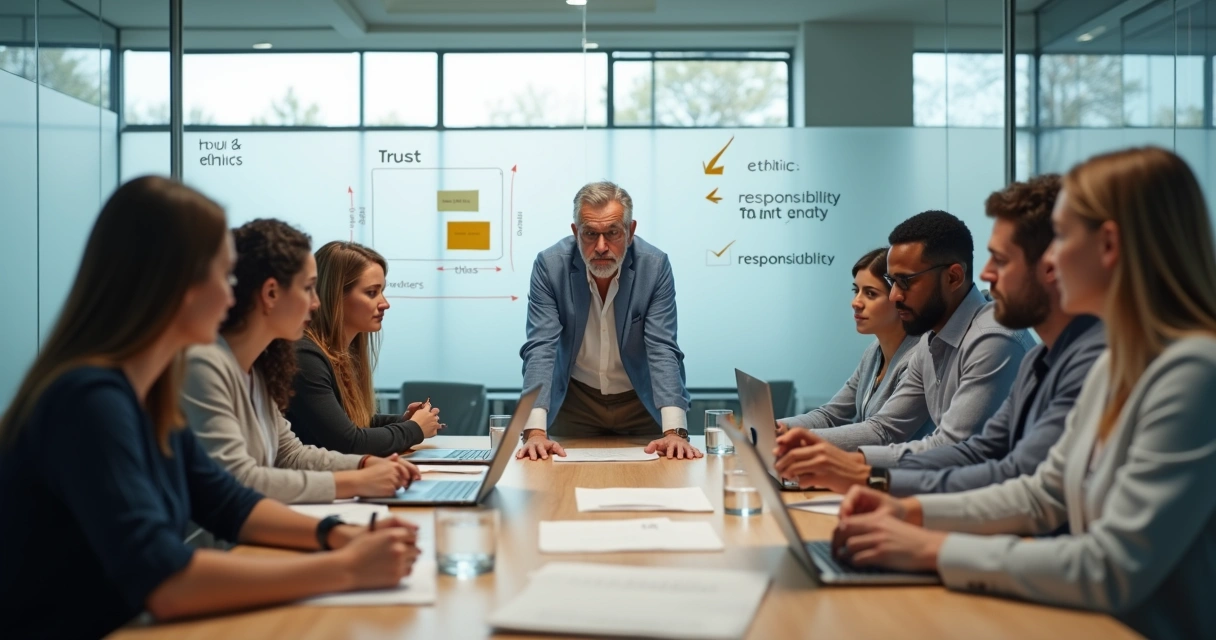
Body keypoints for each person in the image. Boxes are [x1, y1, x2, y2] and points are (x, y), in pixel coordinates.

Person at [0, 177, 419, 638]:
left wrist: (340, 535)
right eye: (223, 276)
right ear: (174, 284)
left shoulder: (150, 391)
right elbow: (166, 581)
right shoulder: (89, 400)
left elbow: (226, 501)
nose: (231, 294)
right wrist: (347, 569)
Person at [831, 147, 1216, 640]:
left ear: (1109, 246)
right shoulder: (1120, 361)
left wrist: (928, 548)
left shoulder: (1191, 372)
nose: (1050, 262)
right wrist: (907, 511)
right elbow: (1042, 493)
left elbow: (1111, 565)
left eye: (1062, 238)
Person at [775, 176, 1105, 497]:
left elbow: (973, 457)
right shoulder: (1033, 356)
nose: (988, 274)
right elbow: (979, 453)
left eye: (1001, 260)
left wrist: (863, 474)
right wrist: (859, 470)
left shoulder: (997, 339)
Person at [183, 219, 421, 504]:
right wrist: (356, 481)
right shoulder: (204, 366)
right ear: (271, 293)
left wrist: (364, 465)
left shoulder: (257, 368)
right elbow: (240, 480)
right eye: (308, 288)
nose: (317, 303)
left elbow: (290, 454)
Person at [780, 210, 1035, 468]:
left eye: (905, 282)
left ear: (953, 277)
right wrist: (790, 439)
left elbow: (952, 448)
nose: (894, 296)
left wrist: (844, 462)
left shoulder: (992, 340)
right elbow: (885, 429)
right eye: (892, 282)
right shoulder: (929, 340)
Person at [517, 181, 700, 461]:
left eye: (612, 232)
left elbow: (662, 349)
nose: (601, 247)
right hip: (576, 402)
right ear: (576, 233)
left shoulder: (654, 266)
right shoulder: (550, 266)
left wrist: (674, 431)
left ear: (630, 232)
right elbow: (541, 348)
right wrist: (535, 433)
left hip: (640, 401)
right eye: (590, 234)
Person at [287, 241, 441, 456]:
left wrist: (404, 421)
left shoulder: (340, 353)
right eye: (371, 293)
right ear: (335, 297)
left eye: (382, 291)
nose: (384, 303)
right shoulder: (305, 357)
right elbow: (349, 442)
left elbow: (350, 421)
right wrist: (414, 429)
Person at [777, 248, 921, 434]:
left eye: (870, 294)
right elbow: (830, 415)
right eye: (856, 291)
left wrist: (797, 437)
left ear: (899, 299)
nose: (856, 302)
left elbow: (880, 433)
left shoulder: (919, 357)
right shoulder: (873, 353)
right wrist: (776, 427)